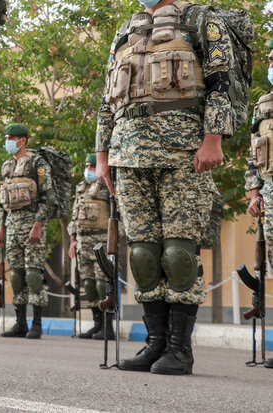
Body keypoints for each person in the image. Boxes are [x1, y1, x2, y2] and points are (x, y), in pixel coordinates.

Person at [96, 0, 235, 375]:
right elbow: (107, 98)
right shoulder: (128, 28)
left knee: (178, 251)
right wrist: (102, 153)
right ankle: (154, 343)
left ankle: (179, 349)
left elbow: (223, 81)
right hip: (128, 151)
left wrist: (213, 139)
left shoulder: (200, 19)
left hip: (183, 150)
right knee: (142, 252)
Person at [0, 123, 53, 339]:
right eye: (7, 137)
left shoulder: (38, 163)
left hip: (32, 225)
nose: (7, 141)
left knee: (33, 273)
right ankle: (20, 323)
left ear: (22, 140)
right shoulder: (6, 166)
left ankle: (36, 324)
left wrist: (38, 225)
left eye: (11, 138)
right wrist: (1, 228)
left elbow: (48, 197)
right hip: (11, 226)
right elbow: (2, 202)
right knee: (17, 274)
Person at [245, 38, 273, 369]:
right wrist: (255, 194)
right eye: (269, 58)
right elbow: (254, 155)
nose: (270, 63)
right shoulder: (264, 105)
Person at [68, 154, 113, 340]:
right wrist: (72, 240)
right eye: (86, 166)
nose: (88, 170)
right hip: (83, 242)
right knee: (89, 283)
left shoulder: (108, 187)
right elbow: (74, 217)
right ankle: (97, 324)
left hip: (101, 241)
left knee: (102, 283)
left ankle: (107, 326)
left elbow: (117, 216)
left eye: (92, 166)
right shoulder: (81, 188)